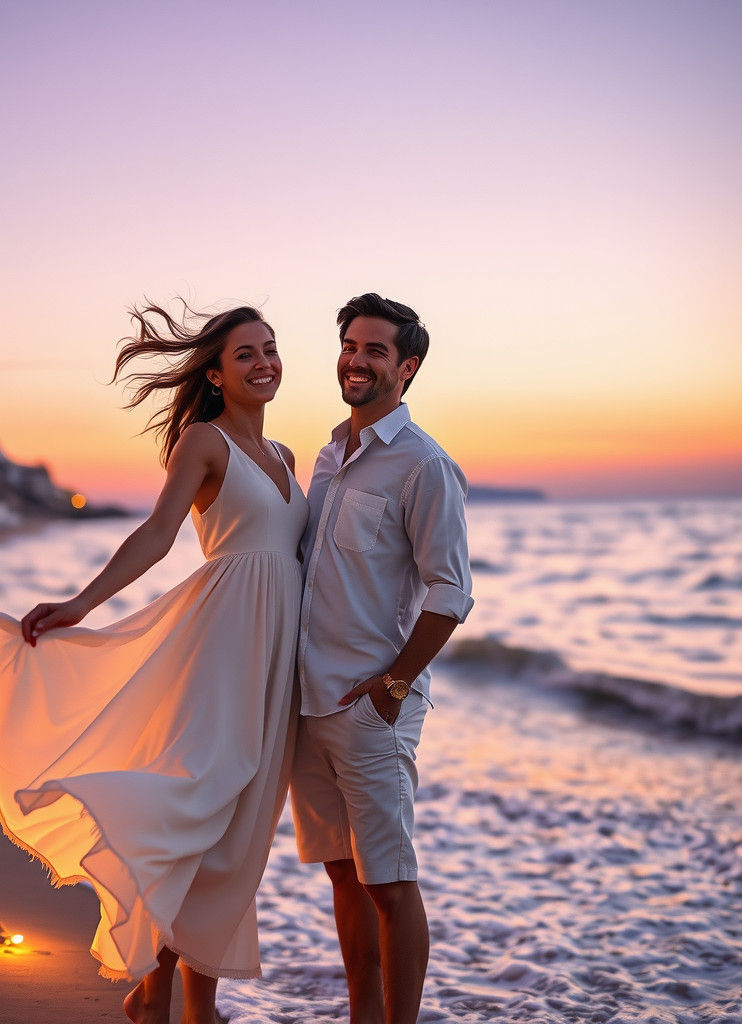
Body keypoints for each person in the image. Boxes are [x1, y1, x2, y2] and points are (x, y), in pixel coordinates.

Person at [0, 302, 308, 1024]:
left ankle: (175, 994)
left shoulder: (287, 457)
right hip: (219, 648)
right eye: (245, 354)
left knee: (238, 831)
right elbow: (159, 532)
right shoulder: (204, 441)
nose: (264, 362)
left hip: (273, 663)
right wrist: (81, 603)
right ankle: (174, 996)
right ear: (215, 372)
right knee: (194, 810)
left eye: (271, 348)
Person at [290, 293, 474, 1024]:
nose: (356, 360)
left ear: (408, 367)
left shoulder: (424, 465)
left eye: (374, 350)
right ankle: (361, 1014)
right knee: (342, 871)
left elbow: (452, 591)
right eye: (350, 346)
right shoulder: (331, 454)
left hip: (371, 710)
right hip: (307, 702)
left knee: (389, 882)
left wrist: (393, 688)